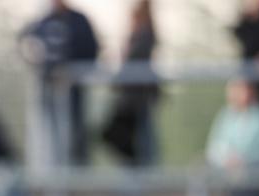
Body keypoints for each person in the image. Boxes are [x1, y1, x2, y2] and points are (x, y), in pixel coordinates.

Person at [20, 0, 99, 166]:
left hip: (73, 89)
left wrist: (73, 69)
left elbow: (92, 49)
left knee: (76, 130)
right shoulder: (43, 21)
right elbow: (24, 41)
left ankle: (78, 169)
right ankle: (55, 167)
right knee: (50, 130)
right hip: (48, 87)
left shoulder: (79, 20)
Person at [101, 0, 159, 167]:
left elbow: (132, 62)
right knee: (129, 139)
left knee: (141, 139)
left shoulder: (144, 36)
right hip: (130, 100)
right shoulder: (141, 36)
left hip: (136, 99)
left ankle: (145, 172)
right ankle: (137, 170)